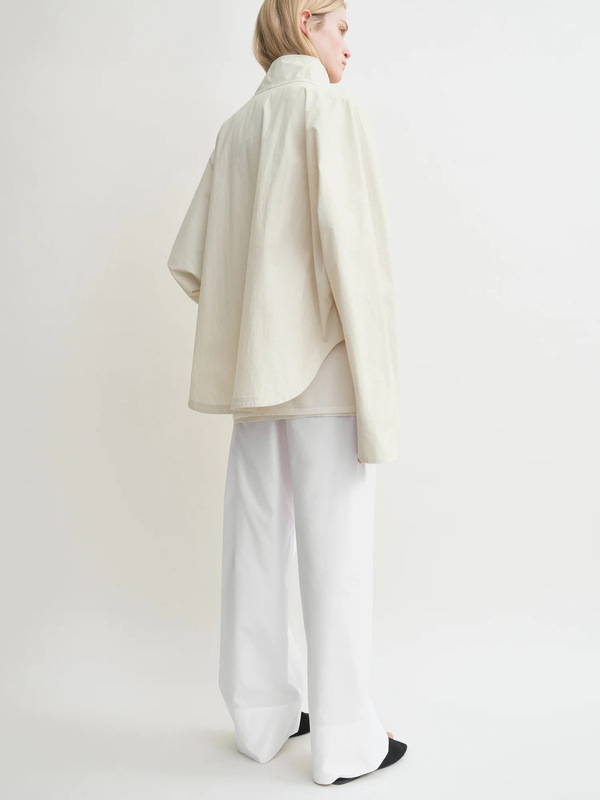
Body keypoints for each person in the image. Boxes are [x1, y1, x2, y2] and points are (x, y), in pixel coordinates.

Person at [166, 0, 407, 786]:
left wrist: (256, 317)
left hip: (254, 375)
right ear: (306, 21)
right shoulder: (328, 112)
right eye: (341, 27)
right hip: (324, 369)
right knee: (337, 551)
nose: (348, 47)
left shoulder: (237, 129)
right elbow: (356, 263)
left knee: (255, 541)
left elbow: (192, 261)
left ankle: (261, 717)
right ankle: (346, 739)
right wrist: (377, 391)